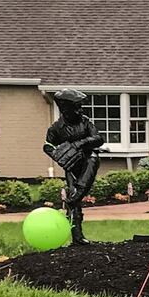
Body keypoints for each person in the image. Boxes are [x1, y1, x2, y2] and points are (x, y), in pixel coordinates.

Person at [41, 89, 102, 245]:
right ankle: (77, 237)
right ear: (65, 108)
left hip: (88, 160)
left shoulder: (85, 122)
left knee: (92, 159)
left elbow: (98, 138)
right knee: (74, 199)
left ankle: (79, 193)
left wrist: (79, 144)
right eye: (77, 107)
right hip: (71, 165)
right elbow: (47, 145)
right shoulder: (55, 128)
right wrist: (57, 155)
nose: (80, 110)